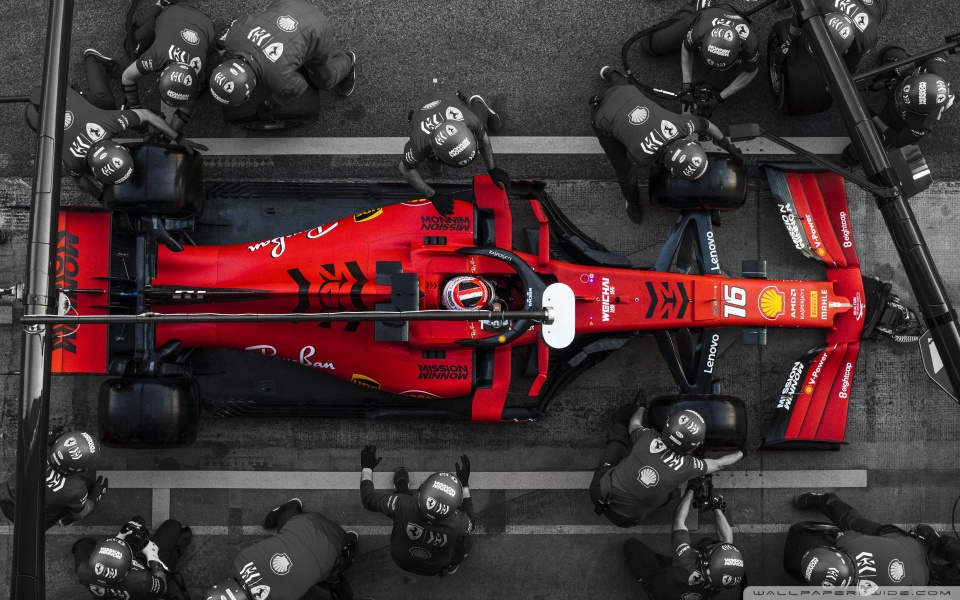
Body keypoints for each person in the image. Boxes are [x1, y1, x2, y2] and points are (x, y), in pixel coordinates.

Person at [25, 54, 205, 202]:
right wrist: (177, 137)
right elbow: (79, 182)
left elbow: (146, 115)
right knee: (106, 105)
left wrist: (101, 197)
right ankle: (92, 60)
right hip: (46, 106)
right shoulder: (75, 157)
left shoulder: (81, 152)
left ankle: (92, 61)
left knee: (107, 106)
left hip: (55, 101)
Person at [591, 66, 742, 223]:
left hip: (626, 92)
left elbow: (707, 125)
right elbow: (631, 153)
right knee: (626, 173)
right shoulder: (642, 158)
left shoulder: (683, 124)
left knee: (623, 85)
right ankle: (632, 202)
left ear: (691, 142)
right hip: (602, 114)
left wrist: (728, 145)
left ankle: (609, 72)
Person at [589, 398, 746, 528]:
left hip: (600, 494)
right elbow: (719, 464)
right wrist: (744, 452)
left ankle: (619, 421)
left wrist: (642, 405)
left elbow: (634, 425)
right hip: (626, 520)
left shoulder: (647, 438)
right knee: (671, 494)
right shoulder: (688, 466)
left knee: (618, 436)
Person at [210, 0, 357, 113]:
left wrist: (272, 103)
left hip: (318, 28)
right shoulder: (231, 37)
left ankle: (349, 60)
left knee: (325, 82)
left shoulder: (279, 80)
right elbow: (239, 21)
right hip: (286, 4)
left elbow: (300, 87)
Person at [204, 498, 358, 600]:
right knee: (285, 534)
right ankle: (290, 507)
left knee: (337, 570)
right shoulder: (241, 558)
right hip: (308, 521)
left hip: (336, 543)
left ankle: (350, 542)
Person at [359, 445, 475, 576]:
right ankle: (452, 566)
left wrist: (366, 467)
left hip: (400, 558)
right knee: (466, 542)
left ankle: (401, 487)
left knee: (400, 508)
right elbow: (471, 521)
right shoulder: (460, 523)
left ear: (421, 489)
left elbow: (368, 499)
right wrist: (464, 485)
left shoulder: (402, 504)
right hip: (434, 567)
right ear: (455, 507)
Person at [108, 0, 220, 131]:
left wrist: (136, 108)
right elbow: (126, 76)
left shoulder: (158, 57)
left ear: (159, 78)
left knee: (130, 46)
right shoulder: (157, 57)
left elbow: (127, 77)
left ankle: (161, 5)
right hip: (189, 18)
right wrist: (136, 109)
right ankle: (160, 4)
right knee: (131, 48)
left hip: (195, 19)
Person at [399, 92, 510, 216]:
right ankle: (432, 160)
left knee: (482, 127)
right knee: (433, 165)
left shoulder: (470, 120)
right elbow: (404, 169)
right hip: (421, 114)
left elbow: (483, 139)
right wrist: (432, 195)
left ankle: (478, 103)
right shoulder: (418, 145)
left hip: (449, 99)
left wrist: (492, 169)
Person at [623, 486, 745, 598]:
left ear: (706, 563)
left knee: (631, 546)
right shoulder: (720, 582)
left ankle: (651, 588)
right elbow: (727, 543)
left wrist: (691, 489)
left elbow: (679, 521)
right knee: (709, 542)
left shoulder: (685, 561)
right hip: (685, 582)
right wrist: (716, 508)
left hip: (662, 589)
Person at [793, 491, 930, 589]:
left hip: (915, 557)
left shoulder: (849, 543)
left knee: (853, 522)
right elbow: (841, 535)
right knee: (852, 522)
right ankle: (822, 500)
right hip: (912, 555)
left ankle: (821, 500)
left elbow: (840, 535)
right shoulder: (849, 543)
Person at [641, 0, 760, 109]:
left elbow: (751, 72)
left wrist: (720, 97)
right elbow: (687, 48)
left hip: (722, 40)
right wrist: (686, 86)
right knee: (648, 46)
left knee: (718, 88)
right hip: (704, 16)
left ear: (739, 50)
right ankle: (692, 10)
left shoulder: (750, 45)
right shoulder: (699, 31)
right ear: (702, 42)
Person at [0, 429, 107, 530]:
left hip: (6, 502)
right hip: (33, 523)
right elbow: (80, 514)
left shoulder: (33, 452)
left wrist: (45, 441)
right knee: (88, 486)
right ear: (83, 470)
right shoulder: (76, 489)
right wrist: (95, 496)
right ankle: (65, 520)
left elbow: (22, 452)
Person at [73, 515, 192, 599]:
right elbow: (162, 587)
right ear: (130, 565)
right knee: (173, 525)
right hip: (143, 587)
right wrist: (153, 556)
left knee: (83, 544)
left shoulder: (83, 569)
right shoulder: (141, 580)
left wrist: (119, 538)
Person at [777, 0, 888, 71]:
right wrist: (790, 41)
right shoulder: (820, 2)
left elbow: (852, 63)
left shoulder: (865, 40)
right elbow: (799, 14)